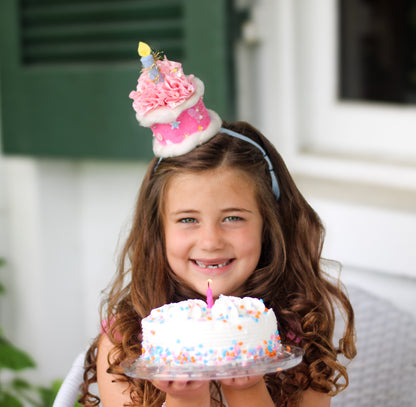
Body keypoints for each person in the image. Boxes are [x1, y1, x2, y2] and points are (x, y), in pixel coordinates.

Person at [79, 45, 356, 407]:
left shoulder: (297, 330)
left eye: (233, 218)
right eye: (188, 220)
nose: (210, 241)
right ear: (157, 231)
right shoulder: (126, 340)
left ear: (268, 225)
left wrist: (246, 388)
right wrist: (185, 398)